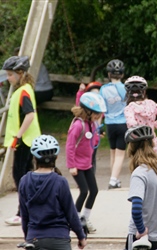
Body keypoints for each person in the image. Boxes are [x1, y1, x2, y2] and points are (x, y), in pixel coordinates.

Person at [19, 135, 87, 250]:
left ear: (34, 158)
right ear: (56, 157)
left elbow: (24, 214)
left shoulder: (24, 181)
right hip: (59, 238)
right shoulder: (60, 181)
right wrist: (81, 236)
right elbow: (71, 212)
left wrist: (28, 237)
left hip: (34, 238)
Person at [2, 56, 41, 225]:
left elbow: (30, 115)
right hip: (26, 139)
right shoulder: (24, 89)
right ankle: (30, 211)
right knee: (27, 176)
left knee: (20, 176)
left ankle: (22, 213)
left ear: (20, 73)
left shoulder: (24, 91)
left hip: (24, 140)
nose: (8, 78)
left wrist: (17, 136)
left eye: (10, 74)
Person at [124, 125, 157, 250]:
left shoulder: (139, 173)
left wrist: (141, 230)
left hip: (144, 239)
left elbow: (136, 209)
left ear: (131, 147)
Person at [66, 92, 106, 233]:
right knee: (84, 191)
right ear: (87, 111)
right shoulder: (78, 125)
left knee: (94, 191)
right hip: (77, 165)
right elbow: (70, 146)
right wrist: (71, 166)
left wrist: (97, 136)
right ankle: (75, 220)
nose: (98, 117)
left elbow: (91, 140)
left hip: (87, 164)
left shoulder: (91, 123)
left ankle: (85, 218)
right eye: (96, 114)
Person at [124, 75, 157, 158]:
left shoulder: (129, 108)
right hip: (153, 141)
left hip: (138, 145)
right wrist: (155, 125)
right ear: (144, 91)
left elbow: (131, 124)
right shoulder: (152, 104)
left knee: (140, 168)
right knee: (155, 167)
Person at [99, 59, 127, 189]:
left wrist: (99, 127)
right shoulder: (126, 88)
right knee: (120, 154)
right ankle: (113, 180)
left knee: (113, 152)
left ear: (109, 74)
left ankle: (115, 179)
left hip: (109, 124)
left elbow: (100, 110)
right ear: (122, 74)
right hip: (123, 123)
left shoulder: (103, 89)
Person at [75, 81, 104, 174]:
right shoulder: (85, 110)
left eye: (97, 94)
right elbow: (79, 104)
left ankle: (91, 176)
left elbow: (100, 119)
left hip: (94, 137)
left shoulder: (99, 110)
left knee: (92, 159)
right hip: (85, 137)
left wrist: (100, 131)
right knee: (84, 158)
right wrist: (80, 92)